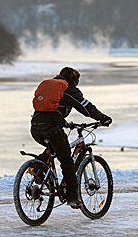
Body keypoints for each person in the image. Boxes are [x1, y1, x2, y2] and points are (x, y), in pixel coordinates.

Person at [30, 67, 112, 209]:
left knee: (54, 149)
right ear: (74, 80)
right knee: (66, 160)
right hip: (52, 128)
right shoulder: (68, 89)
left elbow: (53, 109)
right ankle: (73, 197)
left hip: (35, 127)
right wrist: (103, 118)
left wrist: (64, 122)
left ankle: (38, 169)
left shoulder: (51, 86)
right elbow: (86, 107)